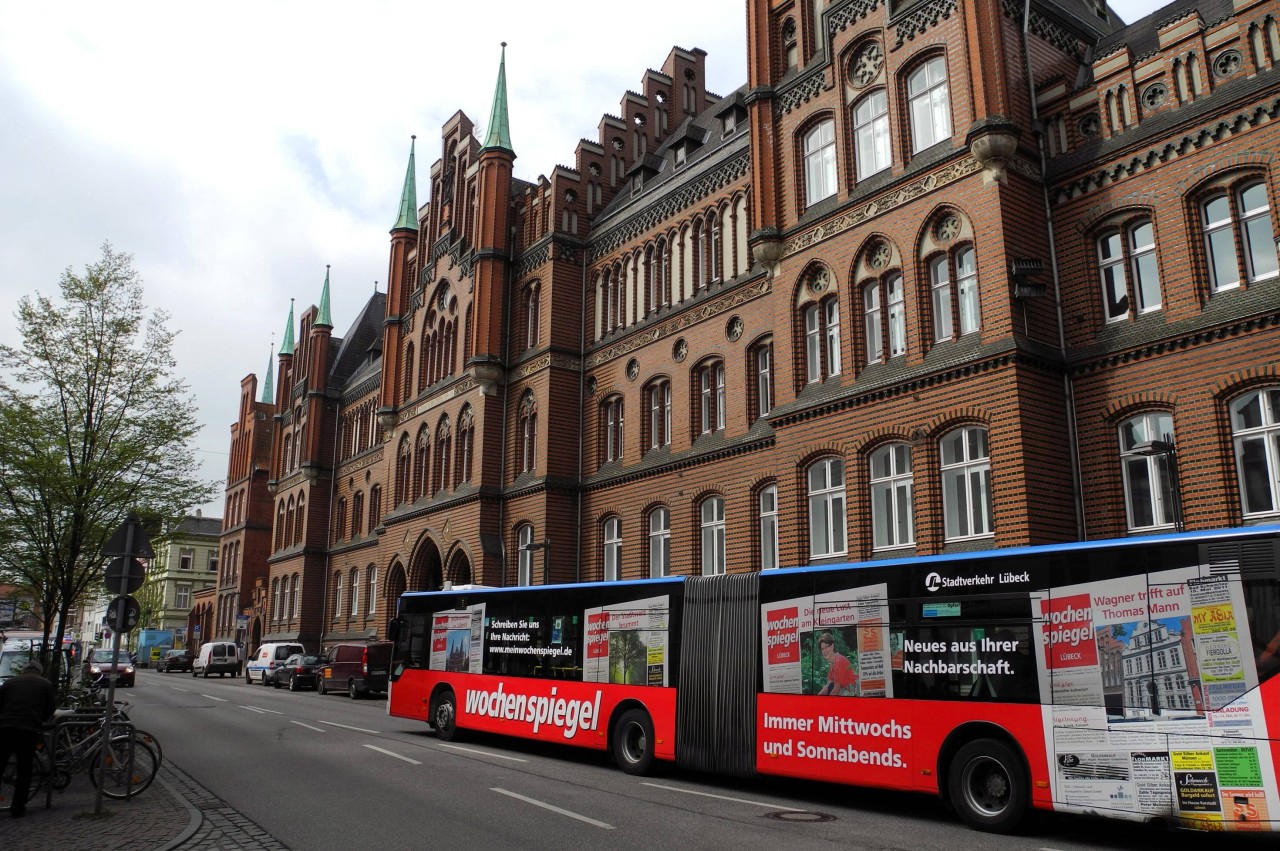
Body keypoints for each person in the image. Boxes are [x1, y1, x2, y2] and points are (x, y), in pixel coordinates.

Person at [0, 660, 57, 817]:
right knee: (24, 770)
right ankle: (18, 808)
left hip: (6, 728)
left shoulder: (10, 682)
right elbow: (50, 708)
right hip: (29, 729)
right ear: (40, 671)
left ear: (24, 671)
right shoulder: (45, 684)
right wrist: (41, 720)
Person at [816, 631, 859, 696]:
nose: (824, 651)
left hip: (855, 690)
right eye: (822, 649)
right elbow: (828, 685)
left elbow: (836, 690)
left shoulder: (839, 661)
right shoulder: (832, 663)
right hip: (846, 689)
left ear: (832, 646)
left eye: (826, 647)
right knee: (830, 686)